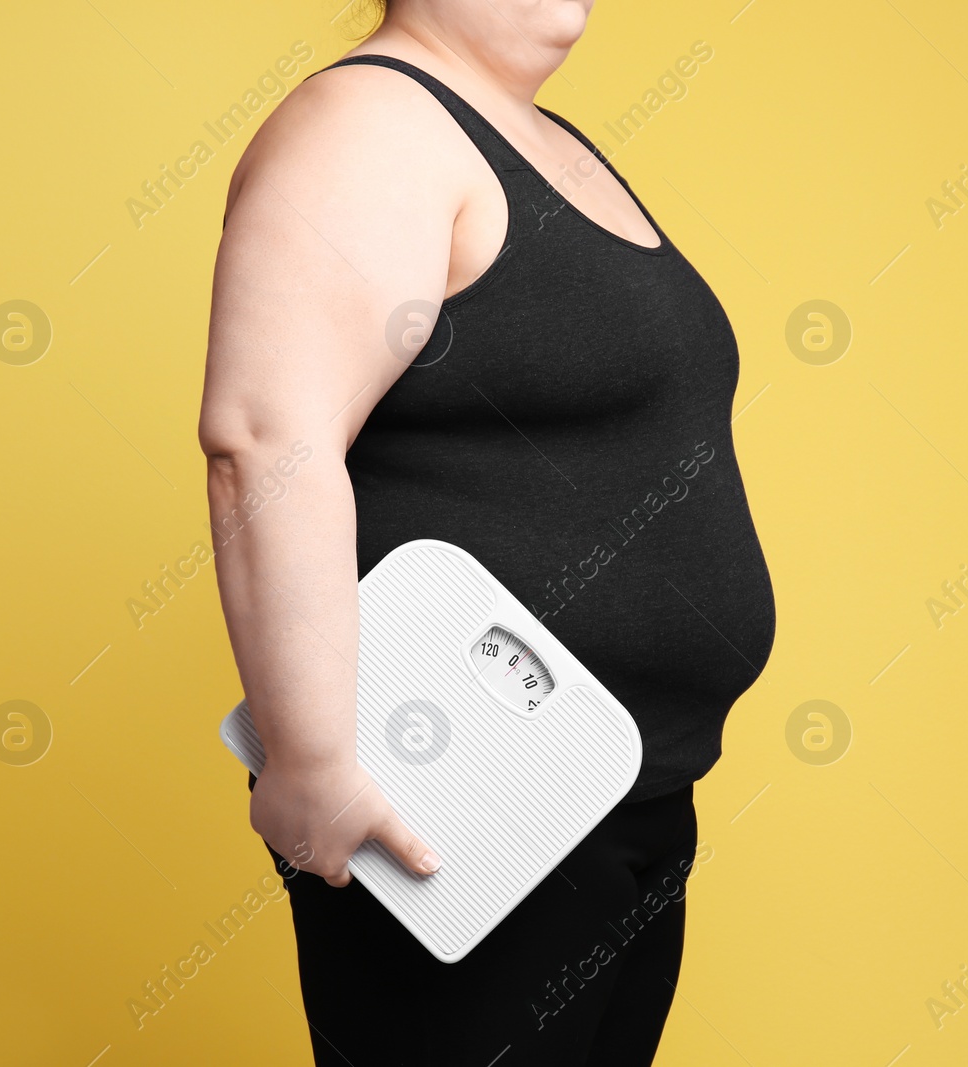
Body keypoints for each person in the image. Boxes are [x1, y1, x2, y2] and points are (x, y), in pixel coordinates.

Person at [198, 1, 775, 1062]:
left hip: (617, 791)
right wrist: (313, 757)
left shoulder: (531, 135)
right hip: (454, 794)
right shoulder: (371, 125)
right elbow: (264, 437)